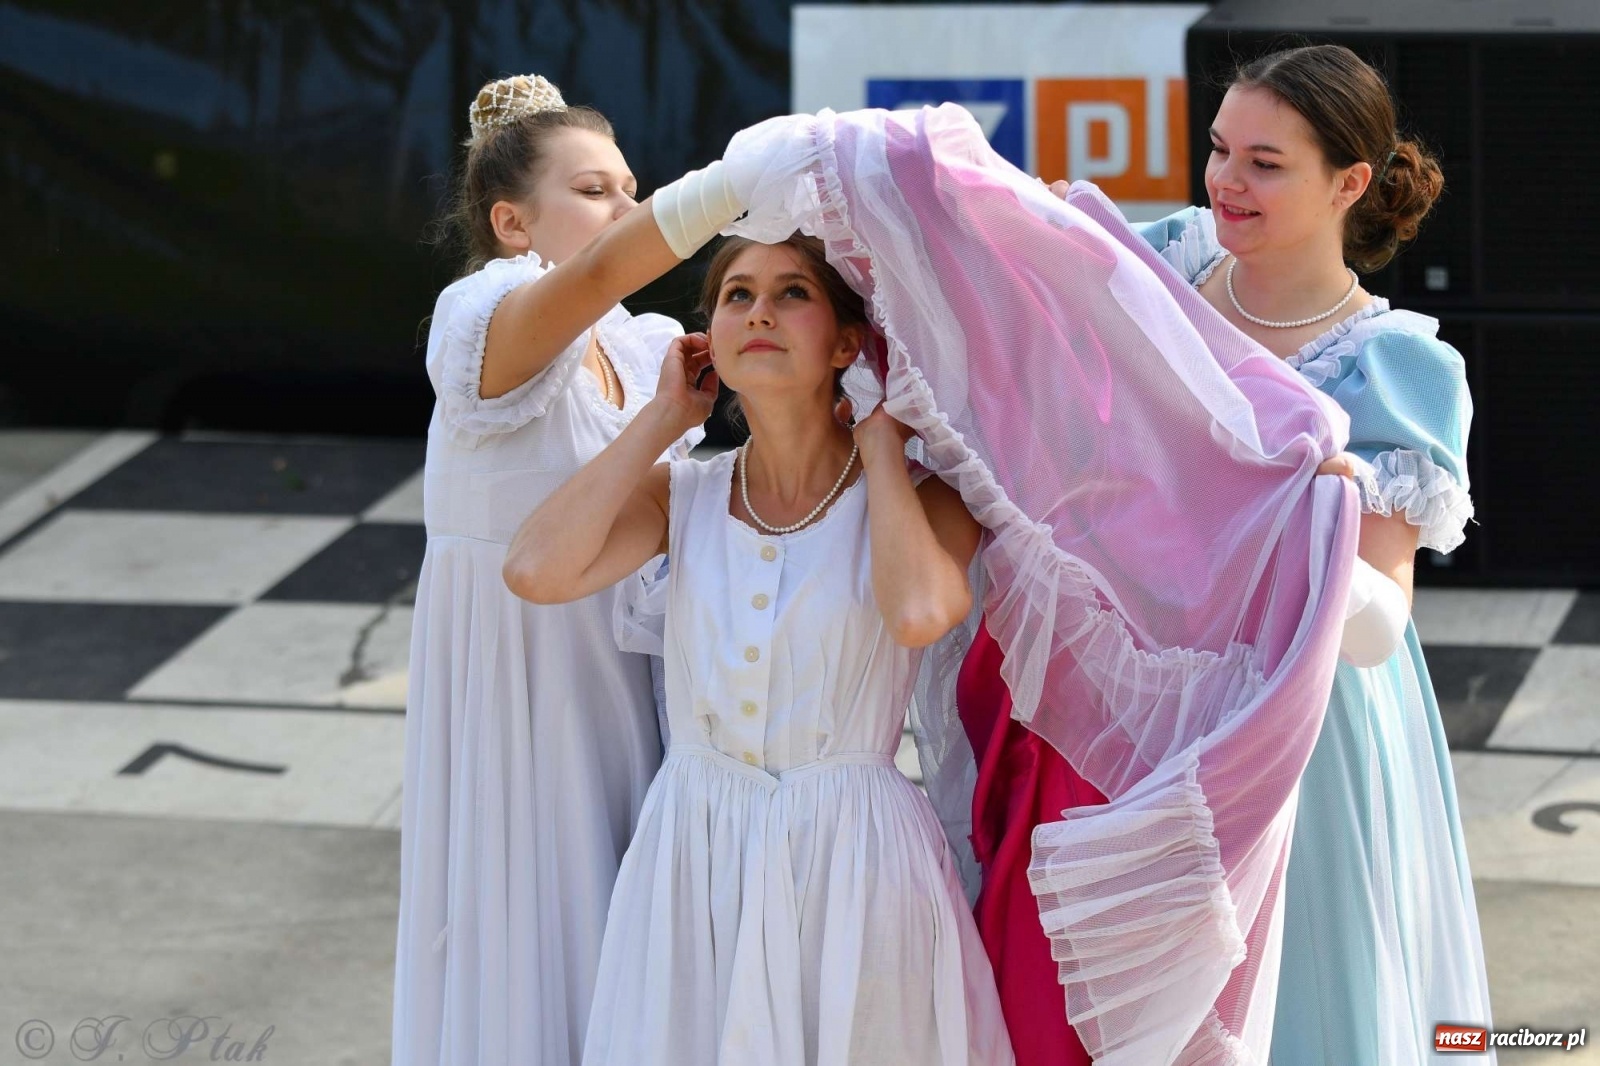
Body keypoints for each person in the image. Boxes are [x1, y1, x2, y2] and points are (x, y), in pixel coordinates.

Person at [503, 232, 1016, 1065]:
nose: (760, 312)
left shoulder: (925, 497)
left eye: (792, 293)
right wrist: (666, 418)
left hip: (855, 857)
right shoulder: (687, 493)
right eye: (737, 296)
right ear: (708, 337)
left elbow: (922, 612)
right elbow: (534, 569)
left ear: (848, 341)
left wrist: (883, 445)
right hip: (695, 852)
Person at [1113, 43, 1491, 1065]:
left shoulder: (1395, 364)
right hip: (1146, 700)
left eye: (1265, 163)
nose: (1226, 181)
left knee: (1304, 1003)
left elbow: (1380, 624)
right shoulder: (1161, 265)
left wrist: (1310, 520)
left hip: (1306, 727)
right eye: (1219, 150)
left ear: (1350, 183)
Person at [391, 74, 705, 1066]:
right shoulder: (484, 310)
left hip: (625, 669)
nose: (623, 207)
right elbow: (620, 262)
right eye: (593, 190)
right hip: (524, 677)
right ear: (511, 222)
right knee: (534, 907)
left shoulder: (636, 341)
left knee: (627, 917)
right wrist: (738, 183)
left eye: (628, 186)